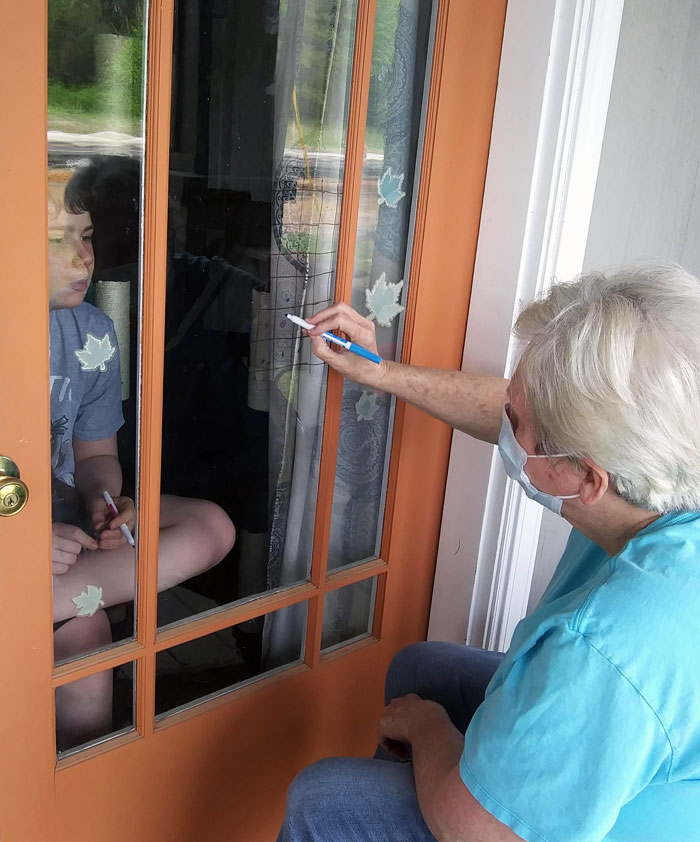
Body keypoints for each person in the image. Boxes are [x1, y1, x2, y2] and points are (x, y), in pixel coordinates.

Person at [277, 264, 700, 842]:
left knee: (325, 799)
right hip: (641, 750)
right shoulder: (664, 468)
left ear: (587, 477)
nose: (504, 422)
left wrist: (429, 731)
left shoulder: (611, 644)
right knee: (424, 670)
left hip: (581, 825)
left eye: (517, 422)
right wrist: (381, 372)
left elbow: (484, 832)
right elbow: (513, 405)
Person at [48, 170, 236, 748]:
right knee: (88, 628)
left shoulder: (92, 334)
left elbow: (96, 454)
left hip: (62, 554)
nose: (85, 258)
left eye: (88, 236)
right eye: (60, 239)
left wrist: (102, 501)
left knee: (210, 527)